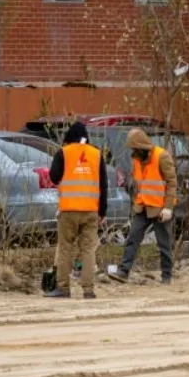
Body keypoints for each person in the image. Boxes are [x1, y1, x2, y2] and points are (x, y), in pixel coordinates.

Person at [47, 121, 108, 299]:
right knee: (88, 249)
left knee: (65, 248)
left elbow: (53, 177)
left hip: (68, 210)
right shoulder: (97, 155)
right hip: (90, 211)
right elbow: (104, 185)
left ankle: (63, 288)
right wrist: (102, 212)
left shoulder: (63, 153)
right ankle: (88, 290)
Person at [109, 128, 177, 286]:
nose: (133, 151)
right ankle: (124, 271)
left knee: (163, 243)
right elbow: (141, 183)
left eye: (134, 148)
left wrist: (168, 207)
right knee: (133, 237)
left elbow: (172, 183)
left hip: (160, 208)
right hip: (143, 205)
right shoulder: (136, 159)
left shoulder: (162, 156)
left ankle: (167, 276)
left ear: (141, 146)